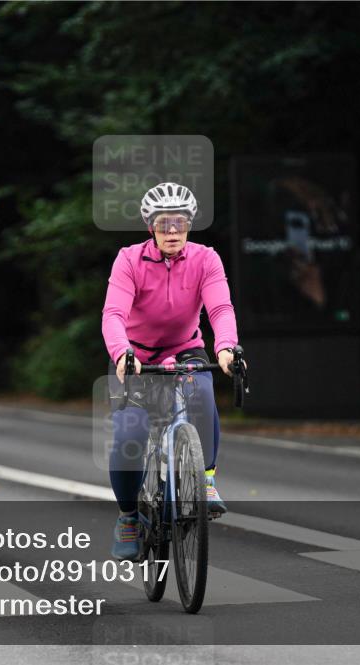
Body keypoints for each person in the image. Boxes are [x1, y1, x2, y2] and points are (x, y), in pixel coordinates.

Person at [102, 182, 242, 560]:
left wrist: (225, 347)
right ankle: (129, 516)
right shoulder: (129, 259)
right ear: (151, 227)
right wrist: (122, 353)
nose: (172, 231)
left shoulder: (206, 259)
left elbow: (220, 309)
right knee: (130, 430)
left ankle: (206, 481)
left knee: (203, 390)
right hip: (136, 354)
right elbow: (114, 313)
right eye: (164, 223)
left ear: (190, 224)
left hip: (186, 349)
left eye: (179, 222)